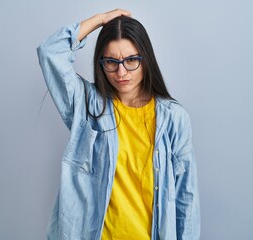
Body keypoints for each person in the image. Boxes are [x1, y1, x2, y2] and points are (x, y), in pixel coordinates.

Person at [37, 9, 200, 240]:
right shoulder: (88, 106)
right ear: (100, 62)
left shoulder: (173, 118)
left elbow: (186, 197)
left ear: (146, 58)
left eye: (131, 60)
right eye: (111, 62)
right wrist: (100, 21)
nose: (121, 72)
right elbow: (49, 52)